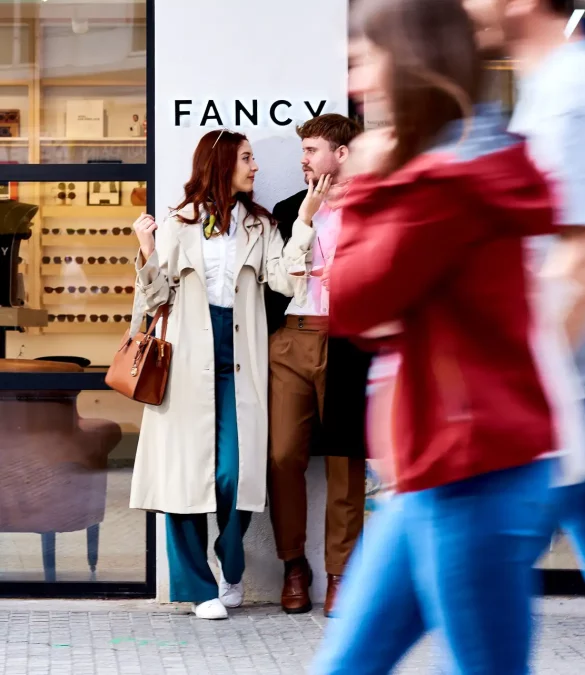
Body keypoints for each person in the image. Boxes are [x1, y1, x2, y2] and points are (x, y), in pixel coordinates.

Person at [312, 0, 560, 672]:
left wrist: (361, 185)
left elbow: (356, 304)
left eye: (365, 63)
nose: (358, 84)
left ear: (407, 65)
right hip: (445, 468)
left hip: (468, 469)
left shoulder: (441, 187)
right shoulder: (467, 166)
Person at [129, 129, 314, 620]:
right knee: (185, 475)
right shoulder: (177, 222)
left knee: (236, 470)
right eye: (247, 159)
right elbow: (155, 300)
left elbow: (284, 278)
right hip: (186, 359)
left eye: (253, 158)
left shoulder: (259, 224)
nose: (256, 167)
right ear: (222, 162)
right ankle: (196, 586)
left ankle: (231, 570)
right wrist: (146, 249)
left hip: (241, 359)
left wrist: (306, 224)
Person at [464, 0, 585, 570]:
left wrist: (521, 383)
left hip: (560, 398)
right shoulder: (543, 89)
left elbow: (577, 253)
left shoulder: (570, 90)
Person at [265, 113, 371, 617]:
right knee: (283, 455)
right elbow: (277, 284)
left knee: (345, 463)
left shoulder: (375, 209)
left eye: (311, 149)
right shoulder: (287, 210)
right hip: (292, 339)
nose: (302, 159)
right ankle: (293, 565)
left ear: (341, 153)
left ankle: (342, 574)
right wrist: (306, 220)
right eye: (303, 150)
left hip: (350, 341)